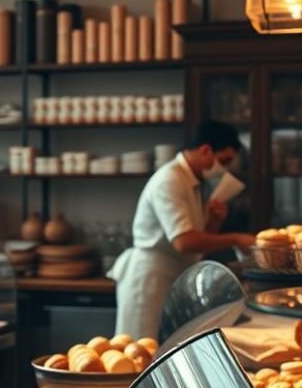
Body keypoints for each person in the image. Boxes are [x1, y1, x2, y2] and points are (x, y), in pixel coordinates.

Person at [108, 121, 257, 339]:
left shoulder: (192, 181)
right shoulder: (169, 180)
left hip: (174, 276)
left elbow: (197, 240)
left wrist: (214, 222)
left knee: (165, 350)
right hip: (150, 280)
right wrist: (235, 238)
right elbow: (184, 242)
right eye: (223, 160)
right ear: (206, 150)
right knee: (140, 352)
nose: (223, 168)